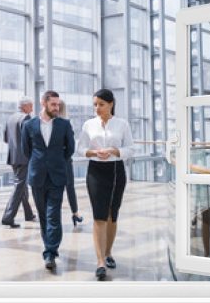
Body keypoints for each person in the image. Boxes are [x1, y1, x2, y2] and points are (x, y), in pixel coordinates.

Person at [77, 89, 133, 279]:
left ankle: (108, 252)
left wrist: (115, 151)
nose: (97, 108)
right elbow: (80, 149)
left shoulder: (122, 124)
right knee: (99, 216)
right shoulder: (89, 124)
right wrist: (93, 153)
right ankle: (100, 261)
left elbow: (130, 149)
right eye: (95, 104)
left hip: (116, 171)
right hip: (95, 172)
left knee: (112, 214)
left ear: (111, 104)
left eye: (101, 104)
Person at [21, 90, 75, 269]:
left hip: (57, 175)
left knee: (53, 215)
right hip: (37, 176)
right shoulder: (29, 126)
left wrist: (56, 161)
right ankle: (49, 247)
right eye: (53, 104)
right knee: (43, 215)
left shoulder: (64, 124)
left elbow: (70, 150)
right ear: (43, 103)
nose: (57, 108)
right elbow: (26, 150)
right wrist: (41, 163)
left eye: (58, 105)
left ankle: (50, 252)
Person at [1, 96, 37, 228]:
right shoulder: (26, 118)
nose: (32, 109)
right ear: (25, 106)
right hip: (24, 157)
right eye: (31, 106)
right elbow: (30, 139)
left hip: (13, 157)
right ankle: (8, 217)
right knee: (18, 186)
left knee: (21, 186)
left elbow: (6, 138)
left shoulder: (10, 118)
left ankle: (28, 214)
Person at [58, 99, 84, 227]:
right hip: (65, 161)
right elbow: (71, 146)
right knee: (70, 188)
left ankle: (53, 215)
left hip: (51, 162)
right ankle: (75, 213)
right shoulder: (66, 124)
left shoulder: (46, 124)